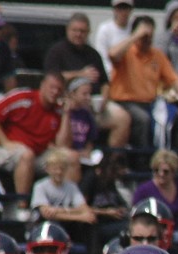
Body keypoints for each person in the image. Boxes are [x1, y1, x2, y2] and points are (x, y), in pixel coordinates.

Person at [43, 11, 134, 150]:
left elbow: (105, 82)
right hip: (66, 104)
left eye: (83, 31)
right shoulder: (57, 51)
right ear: (67, 30)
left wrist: (104, 98)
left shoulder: (93, 54)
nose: (79, 34)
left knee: (123, 118)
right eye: (75, 30)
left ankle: (111, 163)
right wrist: (80, 74)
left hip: (93, 104)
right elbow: (51, 77)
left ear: (88, 32)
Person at [107, 14, 178, 150]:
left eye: (150, 36)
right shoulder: (126, 52)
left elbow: (174, 79)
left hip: (150, 103)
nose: (147, 40)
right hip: (126, 102)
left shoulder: (157, 55)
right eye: (144, 36)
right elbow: (112, 54)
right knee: (143, 120)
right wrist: (136, 36)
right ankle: (142, 162)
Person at [0, 73, 67, 199]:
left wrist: (66, 114)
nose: (55, 92)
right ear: (42, 85)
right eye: (52, 87)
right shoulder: (23, 99)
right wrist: (4, 141)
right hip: (1, 149)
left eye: (59, 89)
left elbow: (63, 145)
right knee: (26, 155)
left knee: (70, 158)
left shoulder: (58, 112)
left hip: (37, 154)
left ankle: (67, 207)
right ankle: (22, 206)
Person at [30, 148, 96, 231]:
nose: (59, 172)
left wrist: (57, 210)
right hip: (45, 227)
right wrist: (79, 217)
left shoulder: (72, 186)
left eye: (62, 168)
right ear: (47, 169)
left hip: (68, 227)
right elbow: (47, 213)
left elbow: (84, 209)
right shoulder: (40, 186)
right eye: (55, 169)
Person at [95, 0, 135, 78]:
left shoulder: (135, 28)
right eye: (120, 8)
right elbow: (102, 56)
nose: (123, 12)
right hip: (111, 76)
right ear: (114, 9)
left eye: (126, 8)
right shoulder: (105, 29)